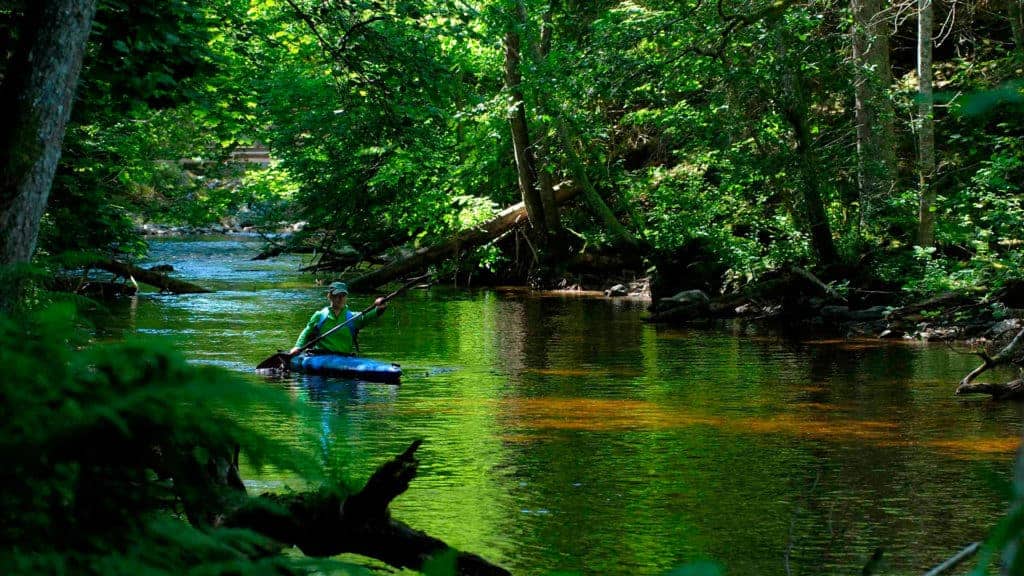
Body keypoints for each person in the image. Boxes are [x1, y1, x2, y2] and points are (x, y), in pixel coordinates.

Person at [289, 281, 387, 356]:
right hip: (320, 355)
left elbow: (371, 315)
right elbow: (306, 332)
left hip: (344, 357)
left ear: (346, 297)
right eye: (337, 295)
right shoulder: (320, 316)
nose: (340, 299)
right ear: (329, 296)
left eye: (343, 295)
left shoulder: (353, 318)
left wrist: (380, 307)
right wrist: (297, 347)